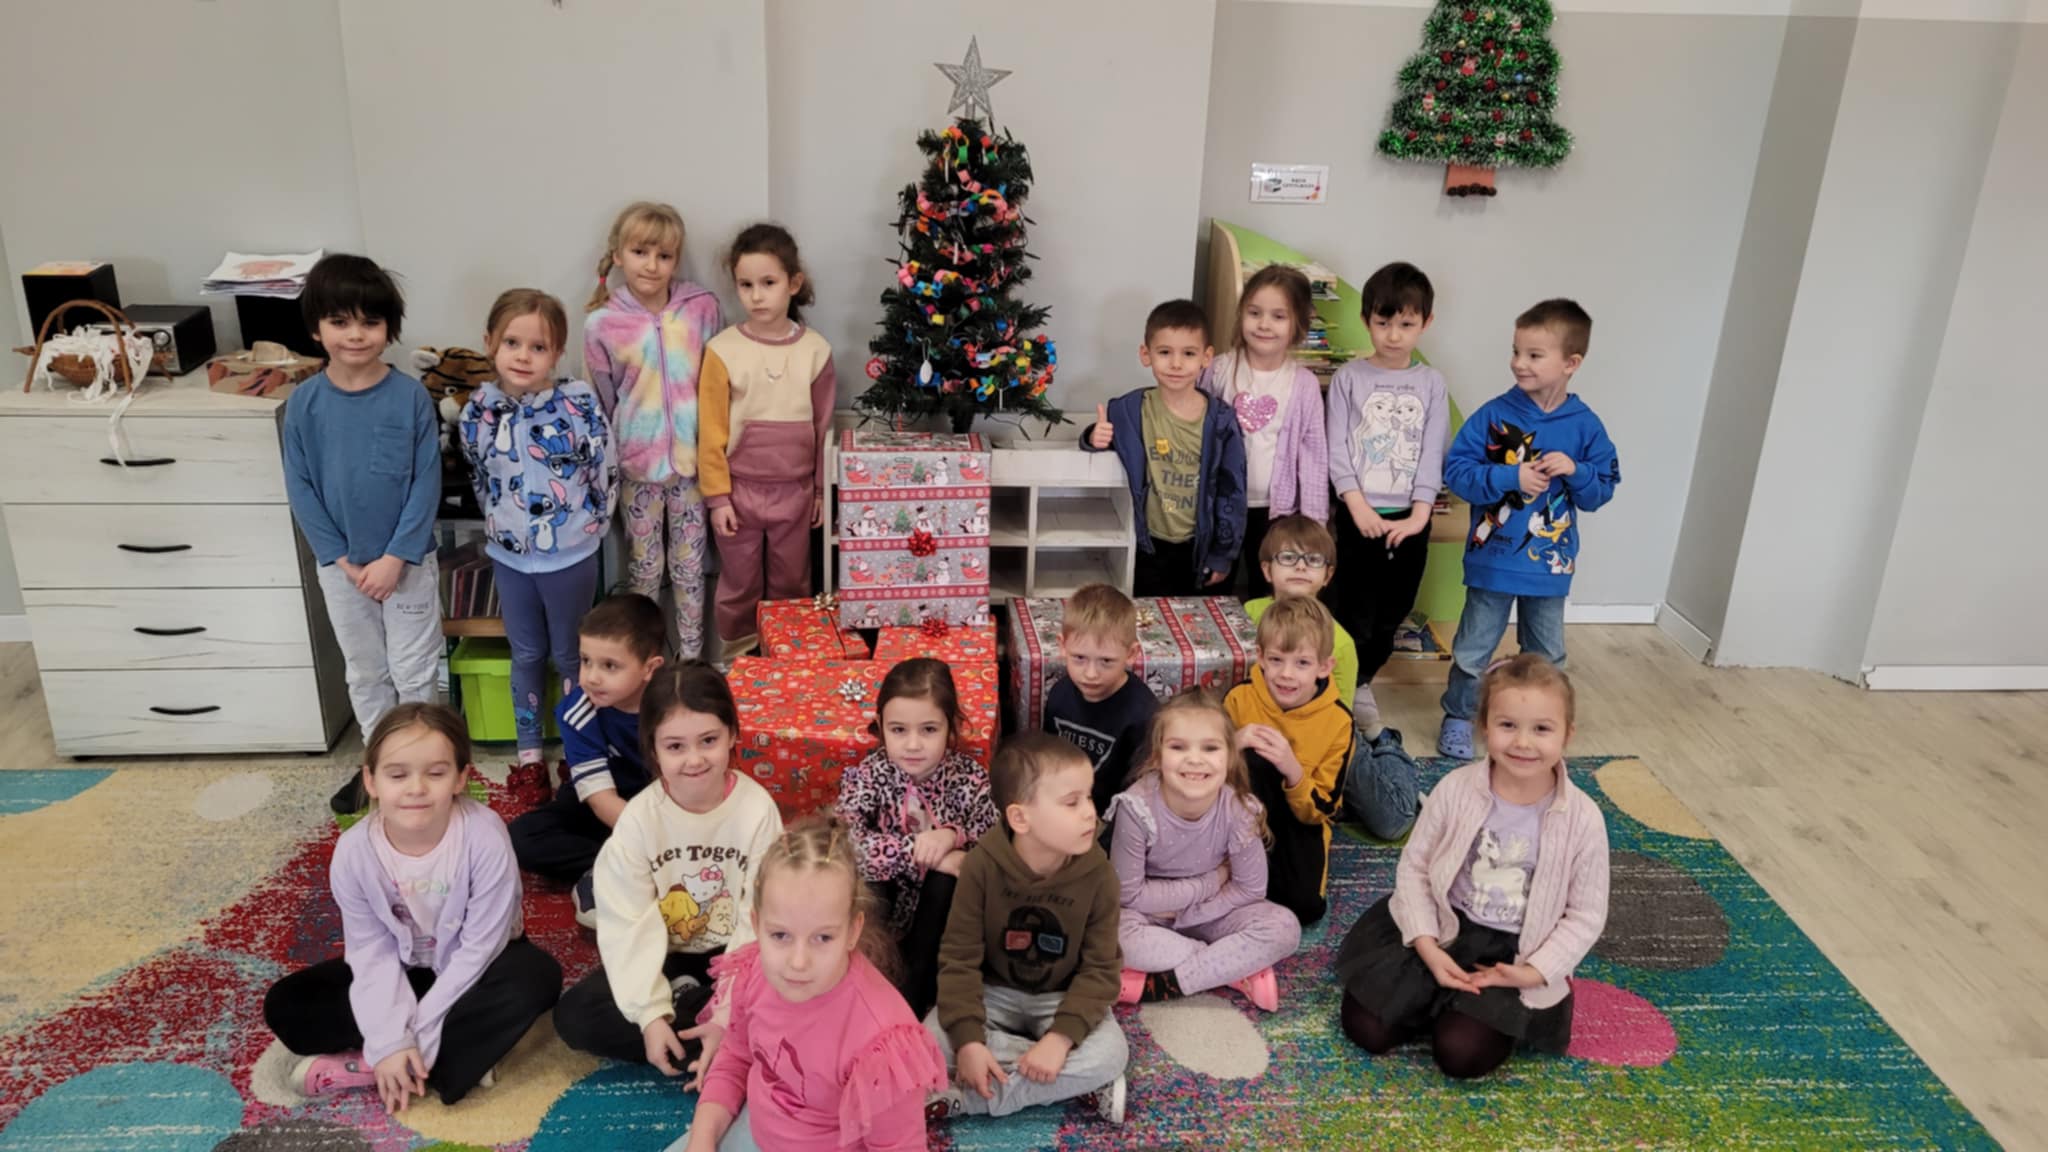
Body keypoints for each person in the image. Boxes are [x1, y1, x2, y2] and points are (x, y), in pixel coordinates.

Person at [263, 704, 561, 1112]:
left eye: (435, 773)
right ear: (371, 780)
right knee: (288, 1005)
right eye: (397, 775)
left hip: (481, 967)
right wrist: (390, 1038)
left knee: (537, 978)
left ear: (461, 778)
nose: (416, 788)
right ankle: (450, 1058)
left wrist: (406, 1038)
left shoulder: (485, 838)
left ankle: (376, 1066)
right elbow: (371, 952)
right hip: (406, 968)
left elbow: (480, 949)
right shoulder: (353, 852)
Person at [1335, 655, 1609, 1079]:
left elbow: (1585, 915)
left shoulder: (1584, 819)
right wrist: (1427, 947)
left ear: (1567, 734)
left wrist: (1532, 972)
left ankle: (1454, 1011)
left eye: (1541, 729)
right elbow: (1415, 868)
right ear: (1484, 726)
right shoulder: (1455, 789)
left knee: (1460, 1055)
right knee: (1366, 1028)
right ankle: (1435, 998)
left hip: (1516, 954)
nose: (1523, 742)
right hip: (1445, 926)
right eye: (1507, 725)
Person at [554, 664, 784, 1090]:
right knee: (576, 1015)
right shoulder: (640, 819)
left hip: (737, 957)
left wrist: (725, 1010)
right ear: (653, 748)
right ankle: (723, 1045)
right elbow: (628, 922)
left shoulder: (757, 810)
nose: (694, 759)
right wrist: (651, 1015)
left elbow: (759, 917)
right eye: (675, 746)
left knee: (802, 992)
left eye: (709, 740)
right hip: (664, 953)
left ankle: (717, 1036)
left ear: (733, 735)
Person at [677, 816, 947, 1152]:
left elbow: (898, 1147)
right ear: (757, 925)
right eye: (780, 935)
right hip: (755, 1127)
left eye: (822, 937)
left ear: (853, 931)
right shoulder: (754, 971)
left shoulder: (880, 1043)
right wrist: (701, 1140)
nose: (798, 962)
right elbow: (735, 1058)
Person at [283, 253, 442, 816]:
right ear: (316, 328)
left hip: (408, 566)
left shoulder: (410, 397)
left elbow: (425, 482)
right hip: (342, 571)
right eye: (340, 321)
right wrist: (343, 560)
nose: (355, 335)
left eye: (370, 322)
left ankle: (426, 766)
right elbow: (301, 487)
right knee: (367, 672)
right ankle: (379, 770)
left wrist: (396, 557)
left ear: (389, 329)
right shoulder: (303, 404)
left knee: (415, 673)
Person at [1437, 299, 1620, 760]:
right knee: (1472, 650)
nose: (1519, 363)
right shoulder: (1493, 416)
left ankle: (1541, 724)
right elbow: (1456, 474)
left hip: (1549, 568)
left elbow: (1600, 492)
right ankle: (1459, 716)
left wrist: (1576, 471)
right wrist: (1509, 477)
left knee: (1546, 657)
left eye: (1534, 355)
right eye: (1516, 351)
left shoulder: (1585, 426)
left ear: (1571, 363)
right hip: (1493, 562)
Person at [926, 733, 1129, 1124]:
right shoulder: (981, 866)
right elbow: (959, 957)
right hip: (993, 994)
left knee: (1112, 1052)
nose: (1090, 812)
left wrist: (1060, 1039)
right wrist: (969, 1042)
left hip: (1061, 998)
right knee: (929, 1041)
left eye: (1089, 797)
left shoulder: (1100, 875)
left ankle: (972, 1099)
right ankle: (1070, 1082)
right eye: (1072, 802)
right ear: (1020, 818)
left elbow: (1101, 970)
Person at [457, 289, 616, 768]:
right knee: (525, 653)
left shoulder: (577, 404)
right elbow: (480, 477)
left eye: (538, 347)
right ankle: (529, 755)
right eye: (512, 343)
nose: (523, 356)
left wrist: (592, 527)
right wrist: (500, 527)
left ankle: (576, 749)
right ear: (490, 342)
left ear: (557, 352)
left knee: (570, 655)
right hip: (510, 559)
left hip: (571, 556)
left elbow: (603, 470)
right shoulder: (478, 411)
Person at [584, 201, 725, 660]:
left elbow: (716, 383)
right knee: (644, 573)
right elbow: (602, 399)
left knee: (690, 570)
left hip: (691, 467)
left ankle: (690, 663)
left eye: (664, 255)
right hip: (636, 470)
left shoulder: (701, 309)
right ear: (618, 255)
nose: (652, 265)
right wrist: (619, 454)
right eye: (640, 252)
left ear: (676, 260)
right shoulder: (602, 323)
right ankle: (643, 664)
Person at [1108, 693, 1299, 1013]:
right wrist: (1209, 883)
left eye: (1210, 748)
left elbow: (1251, 889)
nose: (1195, 759)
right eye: (1178, 747)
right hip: (1149, 916)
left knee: (1285, 927)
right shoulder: (1136, 807)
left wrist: (1192, 913)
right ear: (1156, 757)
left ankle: (1166, 984)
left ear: (1230, 758)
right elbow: (1128, 895)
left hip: (1215, 912)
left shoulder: (1239, 809)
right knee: (1108, 935)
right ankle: (1234, 970)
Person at [698, 223, 836, 661]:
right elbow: (711, 431)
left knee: (792, 583)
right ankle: (736, 665)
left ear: (793, 284)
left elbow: (824, 428)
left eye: (768, 283)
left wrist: (819, 491)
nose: (756, 296)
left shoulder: (816, 351)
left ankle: (787, 665)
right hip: (739, 493)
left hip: (795, 493)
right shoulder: (722, 350)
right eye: (746, 285)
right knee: (739, 584)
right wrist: (718, 498)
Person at [834, 658, 998, 1019]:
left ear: (951, 727)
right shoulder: (869, 775)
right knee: (868, 882)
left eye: (928, 730)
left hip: (940, 923)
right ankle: (868, 985)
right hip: (887, 912)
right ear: (880, 726)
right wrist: (918, 852)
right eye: (898, 730)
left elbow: (995, 840)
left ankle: (916, 996)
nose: (912, 744)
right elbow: (847, 844)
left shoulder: (969, 777)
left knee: (945, 882)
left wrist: (953, 835)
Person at [1325, 262, 1449, 736]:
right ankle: (1343, 689)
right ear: (1366, 320)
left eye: (1406, 324)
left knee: (1392, 612)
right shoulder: (1349, 378)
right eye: (1383, 322)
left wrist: (1419, 514)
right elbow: (1337, 447)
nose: (1393, 335)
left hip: (1409, 521)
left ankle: (1362, 680)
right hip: (1358, 516)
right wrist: (1356, 504)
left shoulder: (1432, 383)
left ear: (1426, 323)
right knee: (1351, 611)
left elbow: (1433, 450)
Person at [507, 594, 666, 917]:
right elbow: (600, 799)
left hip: (665, 801)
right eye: (585, 661)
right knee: (522, 836)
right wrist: (657, 849)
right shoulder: (578, 712)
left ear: (650, 668)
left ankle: (633, 865)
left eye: (610, 666)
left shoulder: (675, 705)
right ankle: (620, 866)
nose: (592, 677)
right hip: (605, 804)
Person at [1080, 299, 1245, 597]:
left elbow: (1232, 490)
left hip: (1200, 548)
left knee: (1199, 619)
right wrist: (1094, 436)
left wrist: (1223, 553)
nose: (1176, 364)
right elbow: (1103, 437)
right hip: (1148, 548)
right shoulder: (1128, 410)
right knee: (1150, 616)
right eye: (1165, 352)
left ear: (1206, 357)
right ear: (1146, 355)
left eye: (1189, 353)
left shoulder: (1222, 420)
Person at [1223, 597, 1354, 926]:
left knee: (1304, 908)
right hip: (1240, 814)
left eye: (1302, 663)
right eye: (1276, 660)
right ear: (1260, 657)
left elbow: (1323, 810)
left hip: (1298, 819)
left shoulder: (1339, 722)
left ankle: (1386, 756)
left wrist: (1293, 771)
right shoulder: (1239, 698)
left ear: (1324, 667)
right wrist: (1233, 744)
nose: (1286, 674)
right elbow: (1206, 770)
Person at [1200, 265, 1328, 599]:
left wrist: (1314, 525)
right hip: (1221, 505)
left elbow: (1313, 458)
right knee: (1213, 587)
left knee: (1269, 594)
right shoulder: (1219, 370)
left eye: (1278, 316)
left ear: (1299, 324)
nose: (1264, 324)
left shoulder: (1304, 385)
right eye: (1254, 313)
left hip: (1276, 512)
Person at [1040, 582, 1159, 817]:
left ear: (1131, 654)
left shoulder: (1143, 713)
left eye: (1106, 661)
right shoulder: (1059, 694)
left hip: (1117, 815)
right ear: (1062, 646)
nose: (1091, 674)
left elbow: (1144, 787)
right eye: (1079, 658)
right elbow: (1050, 757)